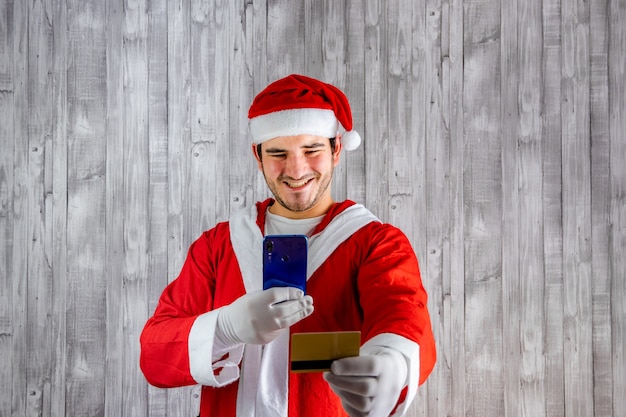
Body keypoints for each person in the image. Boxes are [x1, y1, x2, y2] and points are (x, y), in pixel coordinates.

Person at [140, 74, 436, 417]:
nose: (296, 170)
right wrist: (224, 328)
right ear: (258, 154)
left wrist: (392, 364)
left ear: (336, 148)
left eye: (311, 150)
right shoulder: (218, 245)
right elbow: (153, 355)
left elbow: (401, 313)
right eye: (278, 153)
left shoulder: (375, 243)